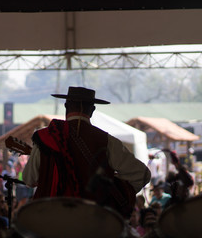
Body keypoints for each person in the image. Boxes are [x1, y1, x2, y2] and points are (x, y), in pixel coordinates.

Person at [23, 86, 151, 218]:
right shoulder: (106, 140)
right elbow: (142, 175)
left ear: (66, 106)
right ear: (92, 110)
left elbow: (29, 179)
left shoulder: (46, 137)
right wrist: (112, 185)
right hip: (93, 219)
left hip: (51, 217)